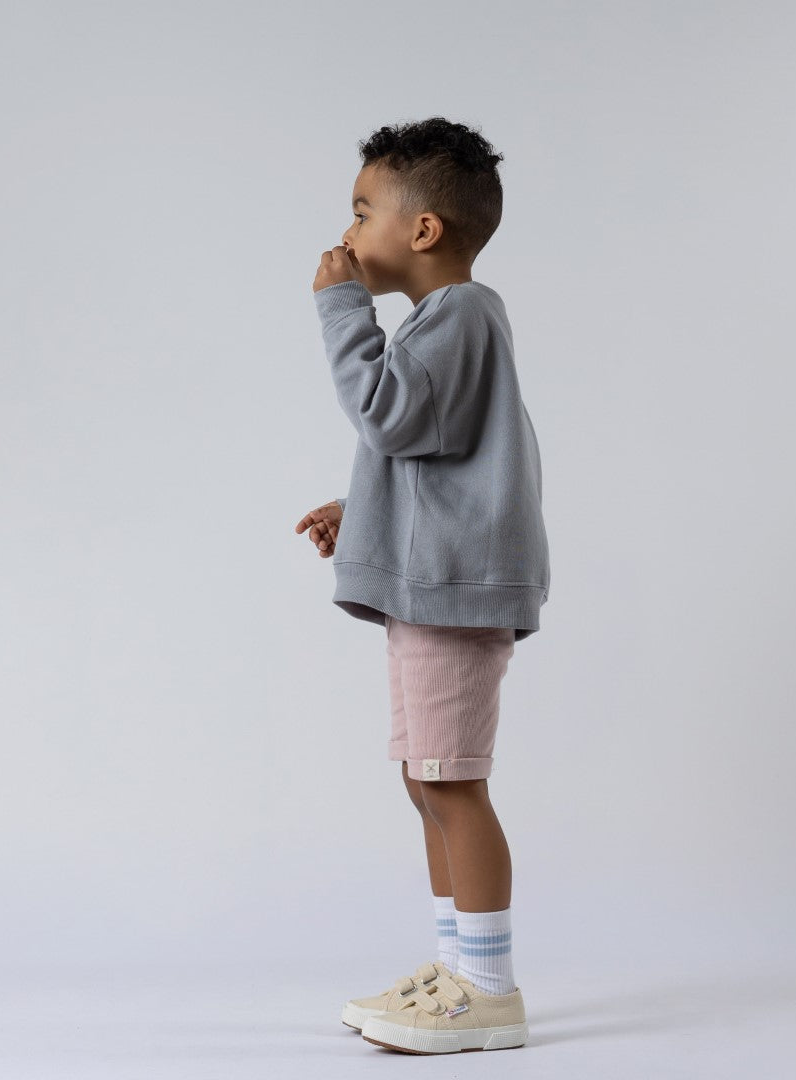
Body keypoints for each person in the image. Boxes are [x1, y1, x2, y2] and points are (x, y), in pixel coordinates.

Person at [293, 117, 550, 1055]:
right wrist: (357, 510)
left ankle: (487, 988)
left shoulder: (460, 317)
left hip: (453, 595)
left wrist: (338, 308)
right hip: (432, 591)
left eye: (363, 211)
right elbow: (427, 452)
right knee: (426, 778)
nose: (349, 233)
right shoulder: (446, 325)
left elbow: (386, 414)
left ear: (424, 231)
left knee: (452, 785)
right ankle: (457, 972)